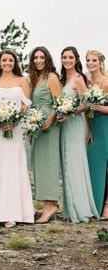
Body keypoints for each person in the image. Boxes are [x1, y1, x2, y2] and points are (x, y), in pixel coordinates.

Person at [0, 49, 34, 228]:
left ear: (15, 62)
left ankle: (14, 212)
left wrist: (14, 121)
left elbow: (26, 105)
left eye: (11, 60)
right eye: (4, 60)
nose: (7, 63)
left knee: (15, 167)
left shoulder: (22, 80)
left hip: (15, 129)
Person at [59, 46, 99, 223]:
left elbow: (86, 105)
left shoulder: (78, 78)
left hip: (75, 124)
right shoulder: (62, 79)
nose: (67, 60)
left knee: (75, 162)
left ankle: (81, 209)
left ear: (76, 59)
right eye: (64, 57)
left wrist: (71, 113)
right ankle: (70, 208)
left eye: (70, 57)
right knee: (67, 162)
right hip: (64, 125)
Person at [28, 46, 61, 224]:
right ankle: (46, 202)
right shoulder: (36, 78)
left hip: (50, 126)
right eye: (35, 58)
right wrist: (33, 128)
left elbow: (59, 103)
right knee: (38, 163)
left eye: (41, 57)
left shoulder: (52, 77)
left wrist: (48, 121)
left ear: (47, 59)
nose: (38, 61)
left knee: (48, 163)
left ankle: (51, 205)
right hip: (38, 127)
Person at [86, 50, 108, 219]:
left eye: (94, 60)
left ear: (101, 63)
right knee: (94, 166)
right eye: (88, 60)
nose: (90, 63)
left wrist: (101, 108)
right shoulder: (87, 82)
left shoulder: (105, 82)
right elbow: (86, 110)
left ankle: (106, 206)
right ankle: (95, 206)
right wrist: (88, 129)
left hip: (105, 126)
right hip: (93, 128)